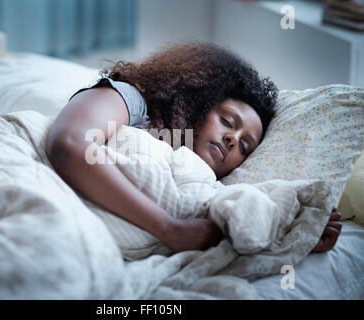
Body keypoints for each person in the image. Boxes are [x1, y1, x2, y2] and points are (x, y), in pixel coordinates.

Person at [46, 41, 341, 254]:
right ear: (196, 104)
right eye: (227, 121)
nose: (233, 139)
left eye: (245, 146)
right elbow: (71, 144)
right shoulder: (132, 102)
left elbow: (233, 222)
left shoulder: (203, 187)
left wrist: (296, 234)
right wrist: (168, 229)